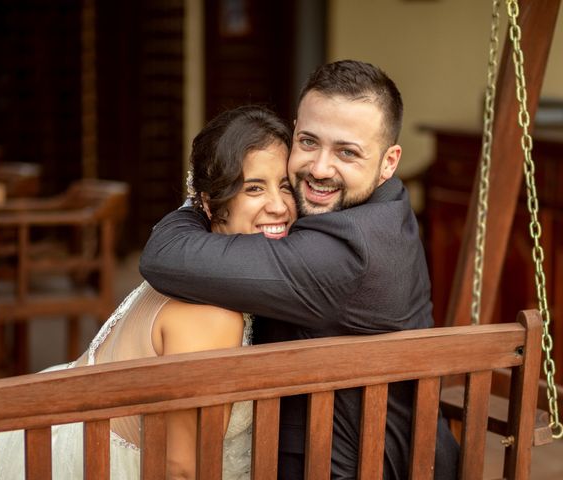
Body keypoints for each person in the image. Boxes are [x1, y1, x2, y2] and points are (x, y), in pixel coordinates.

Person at [0, 105, 297, 480]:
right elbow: (183, 469)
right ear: (209, 202)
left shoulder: (195, 265)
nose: (279, 206)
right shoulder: (210, 314)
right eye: (254, 188)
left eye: (285, 186)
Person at [139, 59, 460, 478]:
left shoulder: (349, 255)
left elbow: (164, 254)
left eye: (347, 152)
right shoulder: (385, 206)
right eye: (308, 142)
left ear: (389, 161)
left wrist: (203, 200)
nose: (320, 168)